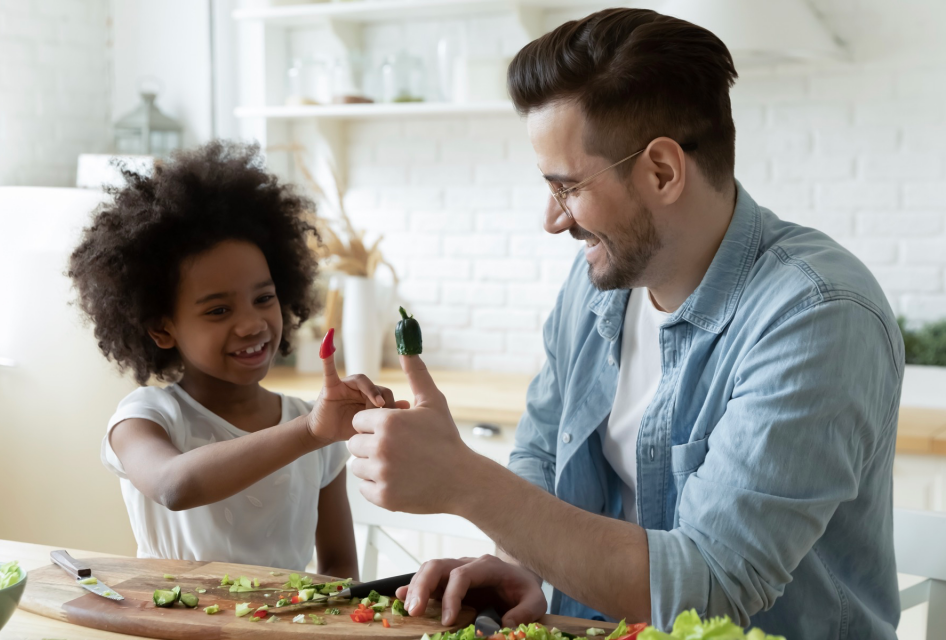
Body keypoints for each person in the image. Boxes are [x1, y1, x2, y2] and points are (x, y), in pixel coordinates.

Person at [348, 8, 903, 638]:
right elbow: (540, 448)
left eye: (567, 187)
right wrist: (520, 563)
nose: (553, 220)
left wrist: (462, 480)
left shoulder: (817, 315)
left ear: (662, 171)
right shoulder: (596, 285)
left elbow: (710, 594)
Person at [69, 141, 404, 578]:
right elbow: (173, 486)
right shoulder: (146, 418)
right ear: (162, 328)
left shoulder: (314, 429)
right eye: (218, 310)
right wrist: (307, 433)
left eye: (264, 298)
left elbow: (339, 567)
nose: (252, 324)